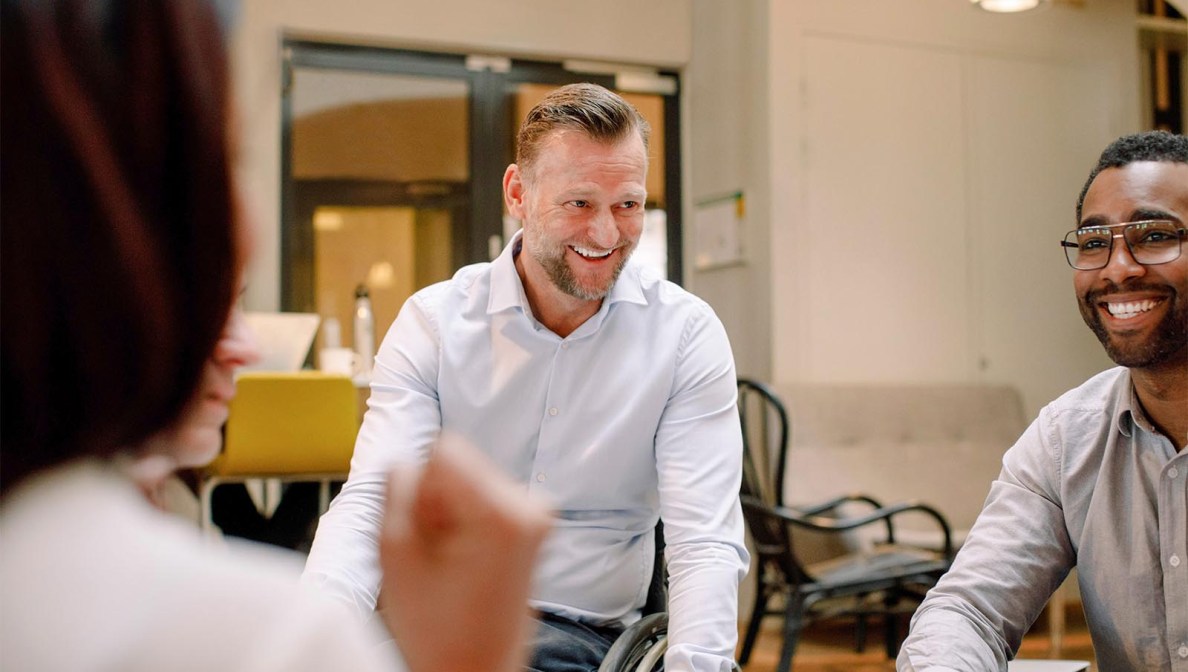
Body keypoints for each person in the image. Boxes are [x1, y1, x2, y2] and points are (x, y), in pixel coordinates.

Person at [0, 2, 550, 671]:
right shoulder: (251, 639)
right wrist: (472, 655)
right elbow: (371, 491)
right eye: (226, 157)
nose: (244, 348)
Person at [303, 82, 750, 671]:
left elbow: (704, 542)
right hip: (436, 629)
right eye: (579, 203)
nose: (607, 234)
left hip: (587, 637)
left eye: (628, 205)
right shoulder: (433, 323)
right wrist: (307, 641)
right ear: (518, 191)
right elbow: (369, 504)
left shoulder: (685, 334)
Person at [897, 130, 1188, 671]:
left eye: (1153, 236)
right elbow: (969, 609)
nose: (1117, 268)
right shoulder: (1066, 436)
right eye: (1095, 242)